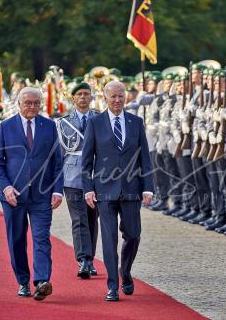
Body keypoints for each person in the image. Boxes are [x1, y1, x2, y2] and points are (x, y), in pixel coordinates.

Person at [82, 80, 154, 302]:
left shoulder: (136, 122)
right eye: (113, 96)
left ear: (126, 97)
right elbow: (86, 161)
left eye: (121, 96)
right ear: (105, 97)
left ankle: (125, 272)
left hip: (132, 189)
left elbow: (145, 158)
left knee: (133, 235)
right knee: (109, 238)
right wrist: (88, 189)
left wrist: (148, 187)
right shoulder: (95, 123)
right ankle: (112, 285)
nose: (117, 100)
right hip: (104, 191)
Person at [0, 87, 64, 301]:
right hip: (13, 196)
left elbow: (57, 162)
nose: (32, 107)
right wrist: (6, 188)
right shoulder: (5, 127)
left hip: (42, 195)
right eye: (28, 103)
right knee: (17, 239)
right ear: (19, 104)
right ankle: (23, 282)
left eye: (36, 103)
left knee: (42, 238)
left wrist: (58, 190)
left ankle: (42, 281)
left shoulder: (50, 126)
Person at [56, 82, 99, 279]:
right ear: (73, 98)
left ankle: (90, 258)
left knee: (92, 219)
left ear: (91, 98)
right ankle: (83, 260)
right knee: (78, 219)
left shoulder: (100, 119)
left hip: (96, 174)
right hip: (72, 175)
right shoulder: (63, 122)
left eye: (86, 94)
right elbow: (59, 153)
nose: (83, 97)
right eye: (79, 94)